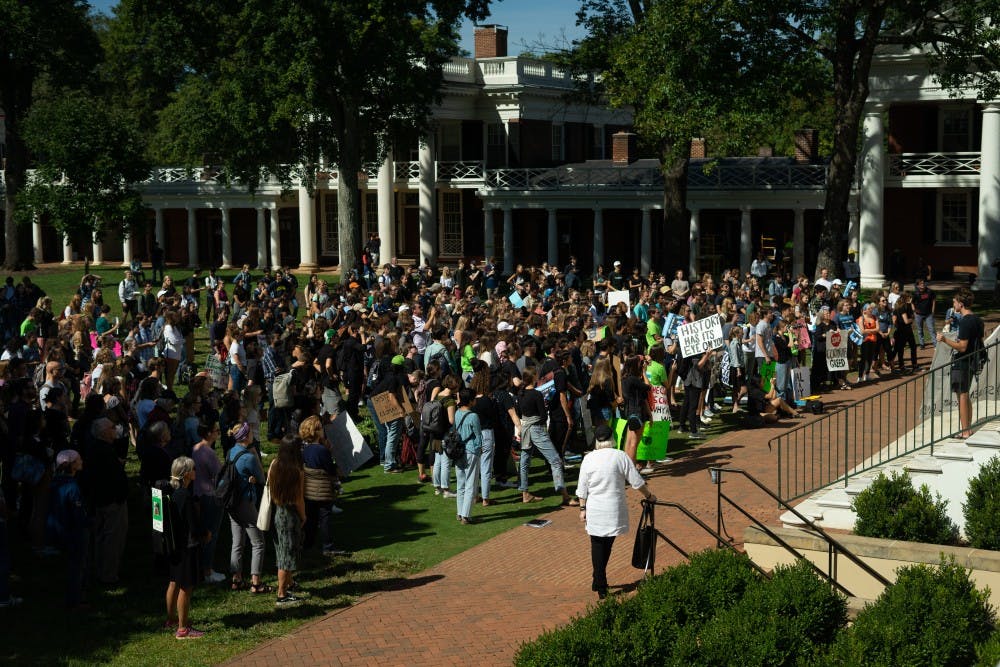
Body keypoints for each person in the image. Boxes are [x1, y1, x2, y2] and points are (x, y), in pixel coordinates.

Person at [575, 424, 655, 600]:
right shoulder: (620, 456)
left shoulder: (589, 459)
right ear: (612, 438)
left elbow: (582, 487)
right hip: (613, 509)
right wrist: (649, 496)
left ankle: (598, 579)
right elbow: (636, 481)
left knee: (597, 545)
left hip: (595, 509)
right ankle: (600, 582)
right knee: (606, 545)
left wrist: (582, 508)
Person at [164, 456, 210, 639]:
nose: (195, 471)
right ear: (187, 474)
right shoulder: (186, 496)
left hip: (173, 546)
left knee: (174, 582)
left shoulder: (172, 492)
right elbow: (193, 525)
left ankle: (171, 619)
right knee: (186, 587)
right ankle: (183, 629)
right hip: (187, 548)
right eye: (193, 469)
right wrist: (205, 534)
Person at [226, 422, 269, 594]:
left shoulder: (231, 452)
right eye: (250, 432)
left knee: (237, 541)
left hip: (231, 502)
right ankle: (256, 583)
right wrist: (255, 457)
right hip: (245, 501)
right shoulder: (249, 457)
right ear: (245, 436)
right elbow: (262, 478)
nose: (253, 435)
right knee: (258, 542)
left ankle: (236, 579)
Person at [937, 288, 985, 439]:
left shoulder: (965, 322)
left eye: (955, 302)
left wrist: (944, 339)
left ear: (961, 304)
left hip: (963, 362)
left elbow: (963, 347)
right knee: (965, 394)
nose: (953, 305)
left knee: (962, 395)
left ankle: (965, 432)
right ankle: (967, 428)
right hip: (973, 361)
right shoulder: (977, 320)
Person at [267, 436, 307, 607]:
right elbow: (299, 498)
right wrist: (303, 516)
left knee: (281, 551)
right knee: (287, 556)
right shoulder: (297, 471)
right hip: (290, 515)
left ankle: (289, 584)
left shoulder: (274, 464)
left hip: (278, 512)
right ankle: (282, 594)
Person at [46, 449, 88, 608]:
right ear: (73, 465)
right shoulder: (73, 487)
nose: (82, 461)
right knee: (76, 567)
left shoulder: (54, 483)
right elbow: (78, 515)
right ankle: (74, 600)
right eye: (79, 460)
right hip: (73, 532)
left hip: (56, 529)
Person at [453, 388, 483, 525]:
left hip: (458, 451)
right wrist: (480, 449)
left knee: (461, 484)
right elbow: (478, 435)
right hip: (470, 451)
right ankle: (466, 515)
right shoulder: (473, 416)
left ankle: (460, 513)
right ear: (470, 401)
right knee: (471, 484)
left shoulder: (457, 413)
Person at [913, 278, 936, 348]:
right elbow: (912, 302)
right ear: (917, 286)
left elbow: (934, 300)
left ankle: (935, 344)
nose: (923, 284)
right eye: (921, 283)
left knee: (931, 329)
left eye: (923, 283)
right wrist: (914, 311)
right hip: (918, 314)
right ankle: (922, 344)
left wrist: (933, 310)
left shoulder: (929, 291)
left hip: (928, 314)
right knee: (920, 330)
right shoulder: (916, 293)